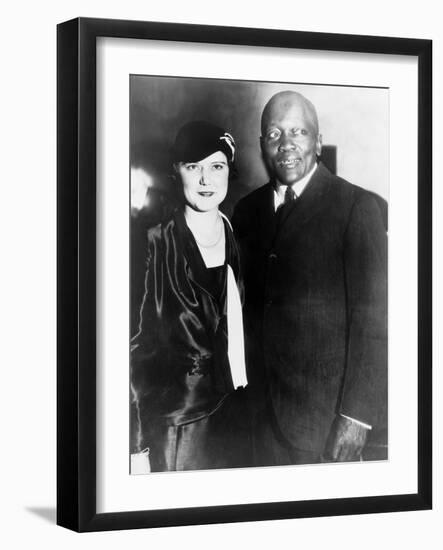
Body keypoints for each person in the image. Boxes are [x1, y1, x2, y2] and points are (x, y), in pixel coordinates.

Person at [232, 91, 388, 466]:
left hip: (324, 428)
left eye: (298, 132)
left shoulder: (356, 207)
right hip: (254, 421)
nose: (286, 145)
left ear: (317, 142)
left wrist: (356, 419)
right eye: (274, 134)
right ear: (261, 146)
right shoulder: (246, 211)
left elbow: (374, 322)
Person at [130, 121, 251, 473]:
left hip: (235, 420)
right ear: (175, 171)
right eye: (192, 166)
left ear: (229, 171)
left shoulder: (237, 235)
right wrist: (136, 448)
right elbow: (133, 350)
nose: (205, 180)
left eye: (216, 166)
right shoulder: (153, 242)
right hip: (177, 426)